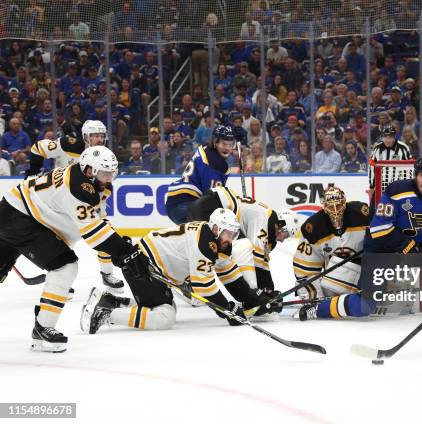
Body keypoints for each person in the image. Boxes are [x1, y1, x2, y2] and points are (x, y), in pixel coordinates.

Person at [297, 158, 422, 321]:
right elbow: (379, 227)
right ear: (415, 174)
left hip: (414, 245)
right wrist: (406, 245)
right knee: (365, 306)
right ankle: (318, 309)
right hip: (381, 250)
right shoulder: (397, 191)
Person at [0, 146, 136, 352]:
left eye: (112, 173)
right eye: (105, 173)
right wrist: (124, 251)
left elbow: (97, 223)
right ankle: (43, 328)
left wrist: (118, 246)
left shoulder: (89, 182)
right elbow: (95, 235)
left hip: (19, 212)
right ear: (89, 170)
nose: (109, 178)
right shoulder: (79, 188)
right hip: (21, 217)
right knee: (65, 267)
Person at [80, 209, 282, 333]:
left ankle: (112, 301)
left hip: (152, 267)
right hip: (141, 265)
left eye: (234, 233)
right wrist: (228, 310)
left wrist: (252, 299)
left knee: (165, 309)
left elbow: (230, 275)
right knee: (165, 316)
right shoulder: (205, 243)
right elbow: (204, 287)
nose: (231, 237)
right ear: (216, 229)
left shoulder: (216, 242)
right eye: (228, 233)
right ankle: (105, 312)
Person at [24, 120, 125, 292]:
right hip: (59, 200)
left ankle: (107, 274)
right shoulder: (68, 144)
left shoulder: (104, 154)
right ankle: (60, 281)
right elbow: (38, 148)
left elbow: (106, 184)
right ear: (85, 137)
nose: (99, 140)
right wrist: (32, 172)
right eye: (95, 136)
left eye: (102, 136)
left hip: (85, 199)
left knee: (105, 231)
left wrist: (98, 201)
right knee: (61, 241)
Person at [188, 186, 300, 296]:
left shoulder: (267, 220)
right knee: (241, 248)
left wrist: (268, 288)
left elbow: (263, 262)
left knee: (214, 250)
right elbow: (257, 260)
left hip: (205, 205)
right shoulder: (265, 219)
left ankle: (192, 281)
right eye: (286, 235)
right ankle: (250, 298)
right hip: (210, 207)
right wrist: (263, 291)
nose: (283, 240)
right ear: (281, 226)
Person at [293, 186, 369, 318]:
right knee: (360, 306)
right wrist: (315, 300)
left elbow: (382, 240)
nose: (335, 211)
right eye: (330, 207)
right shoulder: (314, 227)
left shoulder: (361, 215)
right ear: (323, 206)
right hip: (334, 285)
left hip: (365, 274)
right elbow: (305, 270)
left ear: (345, 202)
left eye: (338, 206)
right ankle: (327, 307)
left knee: (366, 305)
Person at [165, 125, 234, 224]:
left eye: (230, 144)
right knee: (218, 222)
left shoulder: (206, 148)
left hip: (175, 203)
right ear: (215, 141)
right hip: (185, 205)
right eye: (224, 143)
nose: (227, 148)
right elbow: (211, 198)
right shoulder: (217, 164)